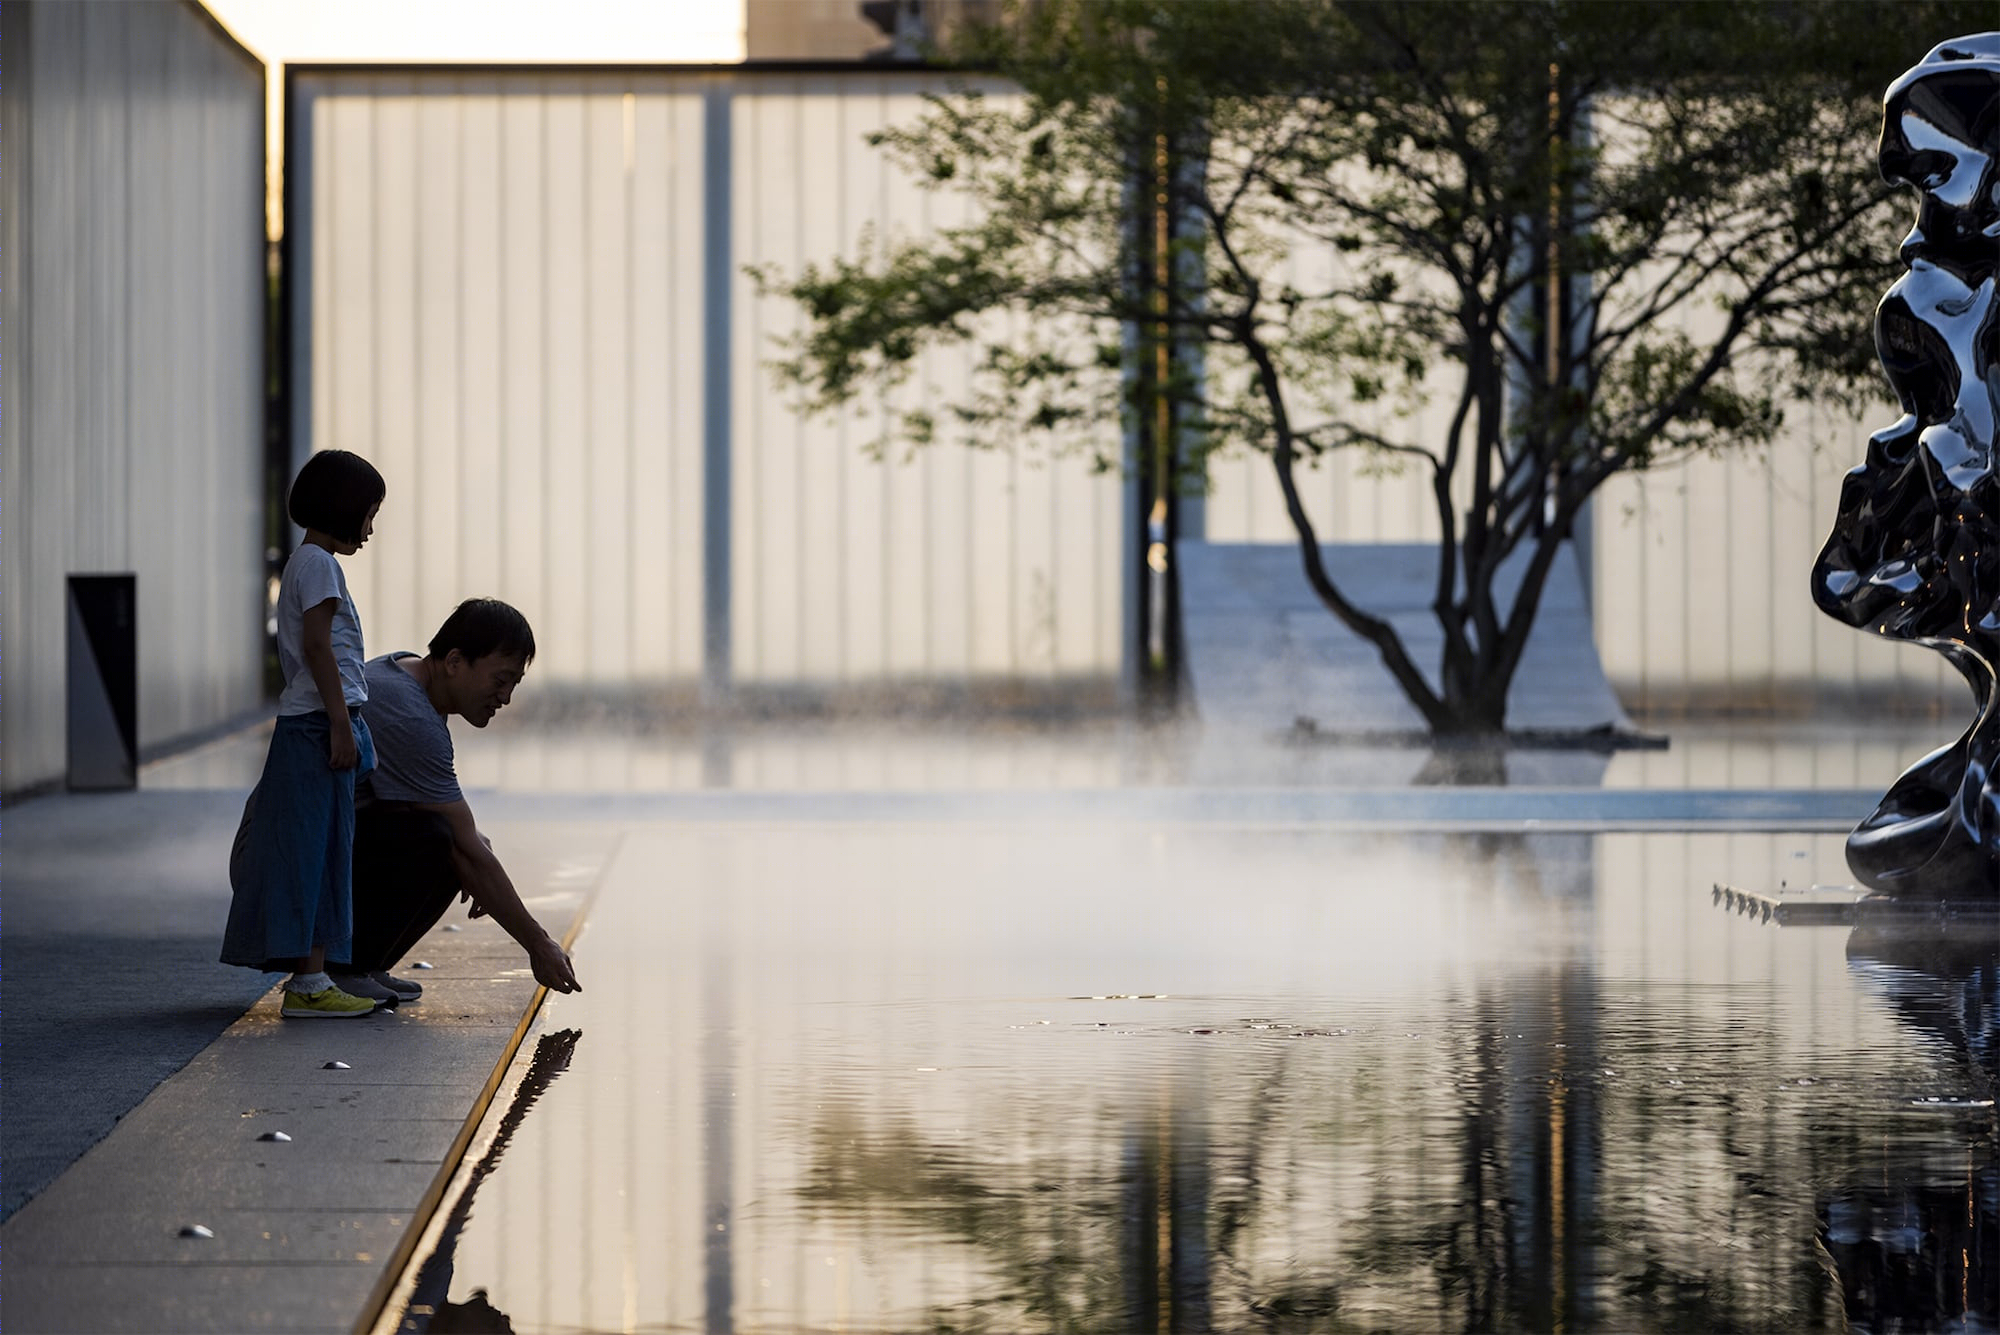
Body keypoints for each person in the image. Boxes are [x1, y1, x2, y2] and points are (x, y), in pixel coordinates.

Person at [324, 598, 582, 1005]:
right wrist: (539, 943)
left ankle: (365, 963)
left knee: (452, 840)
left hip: (314, 853)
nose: (506, 697)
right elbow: (458, 840)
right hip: (289, 873)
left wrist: (473, 850)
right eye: (500, 680)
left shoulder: (406, 675)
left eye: (514, 683)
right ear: (455, 661)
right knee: (440, 839)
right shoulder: (411, 716)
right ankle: (344, 968)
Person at [221, 450, 385, 1018]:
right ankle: (309, 984)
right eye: (368, 514)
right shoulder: (318, 564)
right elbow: (318, 646)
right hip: (318, 726)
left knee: (322, 849)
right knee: (318, 854)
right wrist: (341, 723)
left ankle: (313, 977)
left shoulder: (309, 562)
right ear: (343, 506)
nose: (369, 529)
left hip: (318, 722)